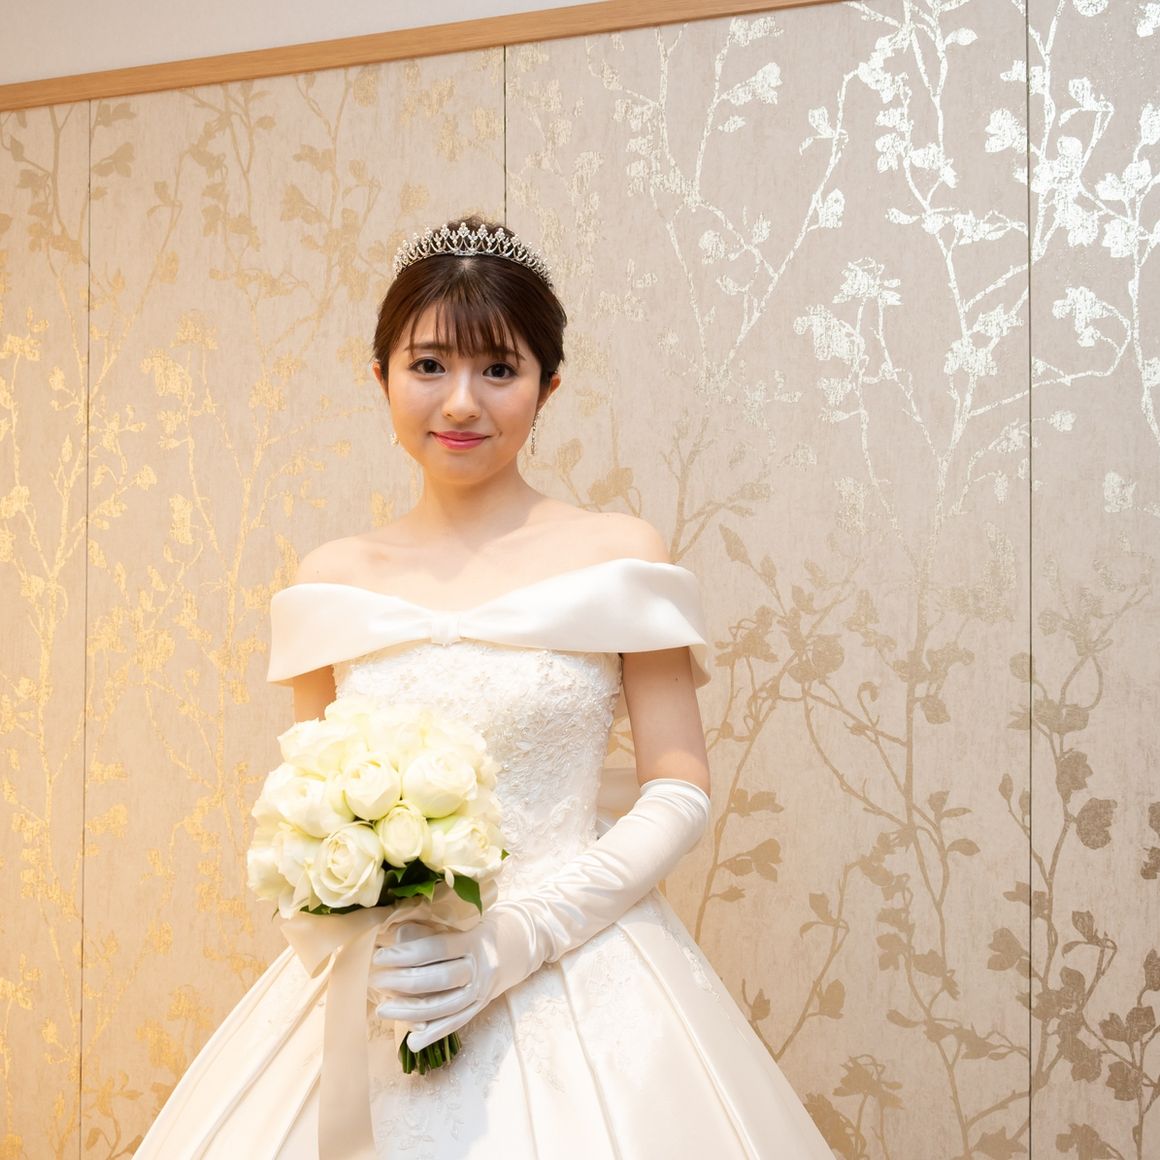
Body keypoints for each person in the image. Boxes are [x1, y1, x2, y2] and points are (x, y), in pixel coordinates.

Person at [135, 215, 835, 1158]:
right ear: (380, 376)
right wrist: (358, 930)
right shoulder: (329, 580)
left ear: (549, 386)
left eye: (499, 369)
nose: (461, 402)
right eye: (428, 365)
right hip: (388, 986)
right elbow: (306, 811)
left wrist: (516, 939)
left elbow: (679, 787)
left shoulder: (619, 555)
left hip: (578, 963)